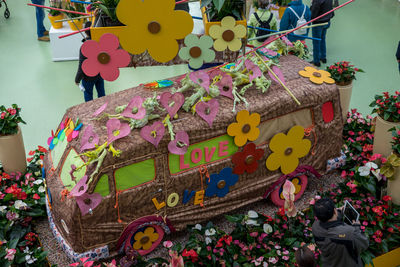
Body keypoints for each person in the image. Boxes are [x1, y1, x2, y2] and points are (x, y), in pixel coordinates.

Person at [312, 198, 369, 267]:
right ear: (334, 211)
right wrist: (357, 227)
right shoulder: (350, 233)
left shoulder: (315, 227)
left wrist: (338, 212)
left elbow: (329, 223)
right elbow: (364, 244)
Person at [75, 21, 105, 102]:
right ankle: (103, 108)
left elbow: (82, 66)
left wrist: (77, 80)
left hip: (88, 77)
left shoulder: (84, 47)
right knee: (102, 94)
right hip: (100, 74)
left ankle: (90, 112)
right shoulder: (100, 42)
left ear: (85, 31)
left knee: (88, 95)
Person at [310, 0, 334, 67]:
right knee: (322, 39)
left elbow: (313, 15)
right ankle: (323, 57)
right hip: (326, 21)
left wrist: (312, 4)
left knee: (316, 42)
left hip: (318, 24)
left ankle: (316, 61)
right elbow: (331, 11)